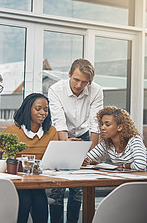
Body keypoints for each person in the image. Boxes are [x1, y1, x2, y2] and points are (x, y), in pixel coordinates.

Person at [48, 58, 103, 223]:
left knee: (78, 187)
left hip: (83, 135)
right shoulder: (56, 89)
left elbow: (95, 124)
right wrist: (66, 148)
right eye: (76, 80)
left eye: (84, 82)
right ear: (69, 74)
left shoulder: (96, 90)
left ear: (90, 82)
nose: (79, 85)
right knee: (58, 187)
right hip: (61, 134)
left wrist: (90, 155)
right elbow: (59, 122)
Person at [0, 93, 58, 223]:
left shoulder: (51, 131)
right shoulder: (13, 131)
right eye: (38, 109)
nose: (43, 113)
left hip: (38, 181)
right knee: (26, 196)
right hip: (17, 182)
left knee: (38, 198)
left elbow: (54, 159)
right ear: (28, 109)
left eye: (46, 109)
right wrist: (9, 157)